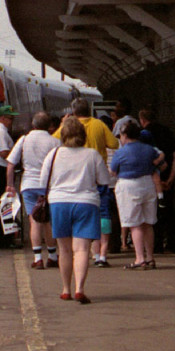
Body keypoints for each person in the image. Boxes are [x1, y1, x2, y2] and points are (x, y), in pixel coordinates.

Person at [40, 115, 110, 304]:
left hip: (59, 203)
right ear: (83, 135)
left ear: (62, 135)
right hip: (86, 203)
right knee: (81, 250)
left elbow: (42, 182)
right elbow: (105, 180)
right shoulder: (92, 155)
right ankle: (80, 288)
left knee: (64, 250)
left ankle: (65, 289)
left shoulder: (53, 155)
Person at [53, 98, 118, 266]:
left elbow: (54, 142)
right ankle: (100, 255)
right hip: (96, 176)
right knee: (102, 214)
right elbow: (113, 143)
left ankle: (83, 250)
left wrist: (63, 124)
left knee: (77, 217)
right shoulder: (99, 125)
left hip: (73, 179)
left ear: (73, 112)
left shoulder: (68, 126)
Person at [110, 121, 165, 270]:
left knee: (135, 225)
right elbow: (161, 162)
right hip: (148, 184)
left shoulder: (121, 152)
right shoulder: (149, 150)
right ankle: (150, 258)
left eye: (120, 135)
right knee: (148, 223)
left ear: (125, 135)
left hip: (129, 185)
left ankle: (139, 258)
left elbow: (113, 171)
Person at [8, 111, 60, 268]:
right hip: (47, 187)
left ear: (33, 124)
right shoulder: (55, 142)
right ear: (49, 126)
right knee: (48, 222)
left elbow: (10, 164)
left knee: (34, 221)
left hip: (28, 185)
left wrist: (10, 186)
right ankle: (52, 256)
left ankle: (37, 258)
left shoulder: (24, 140)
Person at [138, 108, 175, 253]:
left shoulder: (142, 135)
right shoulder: (167, 132)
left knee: (151, 214)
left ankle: (155, 245)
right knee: (168, 211)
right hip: (167, 177)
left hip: (148, 180)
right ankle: (174, 243)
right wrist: (170, 179)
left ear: (142, 120)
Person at [0, 105, 18, 249]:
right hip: (2, 171)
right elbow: (3, 153)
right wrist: (17, 152)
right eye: (10, 118)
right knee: (4, 206)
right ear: (2, 118)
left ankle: (5, 238)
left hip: (1, 170)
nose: (11, 121)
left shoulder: (1, 130)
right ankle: (3, 240)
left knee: (5, 205)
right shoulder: (0, 132)